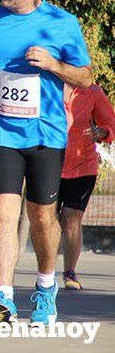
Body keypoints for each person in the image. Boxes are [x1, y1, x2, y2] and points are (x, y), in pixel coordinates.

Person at [0, 0, 92, 325]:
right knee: (2, 214)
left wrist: (54, 65)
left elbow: (85, 77)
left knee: (41, 218)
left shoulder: (61, 23)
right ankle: (3, 296)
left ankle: (45, 286)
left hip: (46, 135)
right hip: (2, 132)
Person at [59, 83, 115, 290]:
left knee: (70, 218)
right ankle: (44, 275)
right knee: (47, 219)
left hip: (83, 166)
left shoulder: (93, 92)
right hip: (50, 164)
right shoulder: (48, 85)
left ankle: (69, 273)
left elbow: (111, 124)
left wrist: (100, 131)